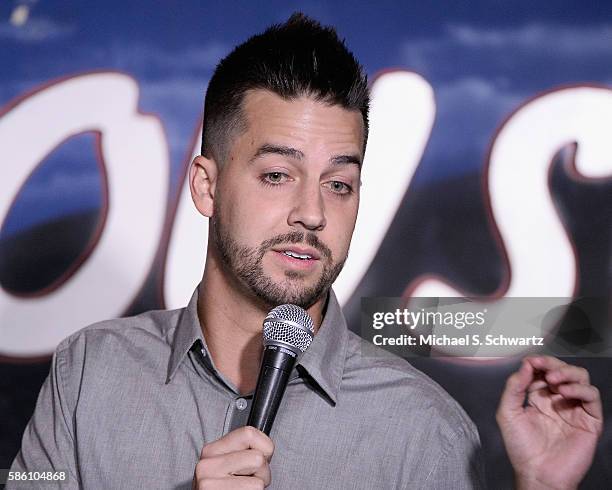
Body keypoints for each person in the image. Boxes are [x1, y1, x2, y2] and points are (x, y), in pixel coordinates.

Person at [8, 13, 602, 490]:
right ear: (206, 186)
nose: (313, 213)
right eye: (276, 175)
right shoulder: (89, 373)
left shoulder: (421, 427)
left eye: (338, 183)